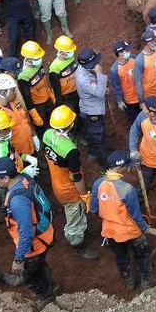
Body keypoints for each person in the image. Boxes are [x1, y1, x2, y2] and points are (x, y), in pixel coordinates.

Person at [0, 158, 56, 302]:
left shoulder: (17, 201)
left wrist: (19, 259)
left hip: (34, 246)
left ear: (5, 178)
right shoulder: (24, 178)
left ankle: (47, 299)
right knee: (39, 266)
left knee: (31, 277)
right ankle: (51, 285)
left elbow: (26, 233)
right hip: (45, 235)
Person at [91, 150, 156, 290]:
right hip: (130, 230)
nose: (127, 169)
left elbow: (94, 209)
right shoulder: (128, 190)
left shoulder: (98, 184)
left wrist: (110, 211)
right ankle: (146, 281)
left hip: (110, 231)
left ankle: (129, 281)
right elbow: (135, 216)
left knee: (121, 256)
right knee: (143, 252)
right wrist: (145, 228)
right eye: (126, 166)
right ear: (119, 168)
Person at [42, 106, 98, 259]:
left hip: (57, 184)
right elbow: (76, 177)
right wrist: (84, 196)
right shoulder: (71, 151)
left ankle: (83, 230)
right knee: (74, 215)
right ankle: (78, 245)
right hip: (70, 190)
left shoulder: (47, 134)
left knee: (75, 212)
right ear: (70, 124)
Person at [75, 49, 109, 165]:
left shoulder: (80, 69)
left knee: (92, 135)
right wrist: (100, 74)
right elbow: (100, 93)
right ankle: (105, 166)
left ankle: (92, 153)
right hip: (92, 113)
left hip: (87, 109)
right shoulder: (84, 79)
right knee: (99, 139)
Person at [18, 41, 55, 138]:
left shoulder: (39, 65)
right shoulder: (23, 76)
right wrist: (34, 115)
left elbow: (45, 82)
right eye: (37, 58)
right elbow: (27, 97)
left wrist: (51, 95)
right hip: (39, 108)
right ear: (29, 59)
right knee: (44, 129)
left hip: (48, 101)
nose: (39, 59)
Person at [109, 40, 140, 124]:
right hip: (130, 100)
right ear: (120, 53)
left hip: (142, 95)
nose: (129, 52)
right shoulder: (114, 69)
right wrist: (119, 101)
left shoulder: (134, 58)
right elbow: (116, 86)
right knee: (135, 122)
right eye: (127, 50)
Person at [49, 36, 79, 113]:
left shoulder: (70, 58)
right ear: (61, 51)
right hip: (67, 98)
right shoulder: (54, 67)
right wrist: (60, 104)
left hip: (77, 91)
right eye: (68, 52)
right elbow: (56, 90)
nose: (71, 53)